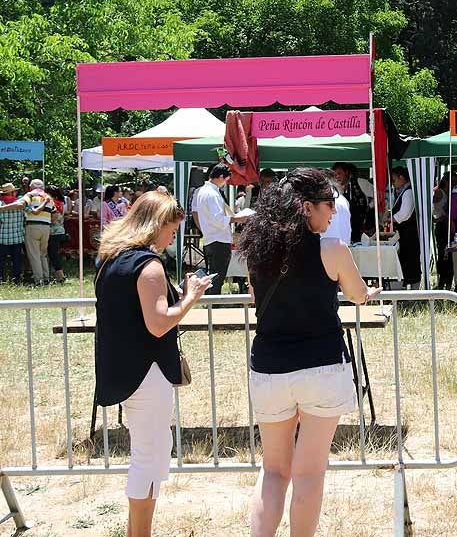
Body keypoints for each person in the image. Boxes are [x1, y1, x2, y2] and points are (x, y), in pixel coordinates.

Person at [238, 168, 379, 537]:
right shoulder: (332, 249)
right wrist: (366, 296)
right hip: (321, 368)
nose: (333, 212)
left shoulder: (257, 253)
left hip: (269, 367)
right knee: (309, 473)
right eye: (328, 204)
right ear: (305, 207)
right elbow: (357, 293)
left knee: (273, 472)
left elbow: (257, 299)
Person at [94, 191, 213, 537]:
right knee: (150, 459)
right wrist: (190, 298)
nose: (172, 238)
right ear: (156, 225)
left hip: (123, 368)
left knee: (148, 455)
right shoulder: (148, 265)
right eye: (172, 231)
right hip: (147, 372)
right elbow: (159, 322)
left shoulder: (112, 258)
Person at [192, 164, 240, 295]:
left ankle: (210, 303)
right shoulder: (212, 193)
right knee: (217, 277)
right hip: (218, 239)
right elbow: (218, 220)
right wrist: (237, 219)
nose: (226, 183)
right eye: (226, 179)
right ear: (220, 177)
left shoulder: (202, 191)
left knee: (211, 276)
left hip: (210, 238)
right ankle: (214, 304)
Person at [0, 179, 56, 286]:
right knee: (43, 254)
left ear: (31, 187)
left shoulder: (30, 195)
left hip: (32, 227)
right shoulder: (48, 197)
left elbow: (21, 204)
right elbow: (54, 216)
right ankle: (46, 278)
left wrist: (2, 209)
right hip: (46, 228)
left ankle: (38, 281)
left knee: (34, 255)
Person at [389, 166, 421, 289]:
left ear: (401, 178)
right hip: (405, 234)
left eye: (394, 180)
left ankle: (414, 292)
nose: (393, 183)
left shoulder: (408, 192)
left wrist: (391, 219)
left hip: (410, 234)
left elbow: (405, 214)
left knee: (411, 261)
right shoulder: (404, 191)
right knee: (406, 261)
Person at [332, 162, 372, 243]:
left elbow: (379, 196)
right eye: (335, 175)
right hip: (344, 226)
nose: (337, 177)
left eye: (339, 173)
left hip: (361, 225)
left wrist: (369, 206)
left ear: (346, 172)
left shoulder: (361, 183)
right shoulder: (335, 188)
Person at [432, 173, 457, 290]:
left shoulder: (452, 193)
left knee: (451, 256)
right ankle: (442, 282)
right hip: (442, 227)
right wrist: (436, 218)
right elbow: (430, 205)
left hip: (450, 225)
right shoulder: (439, 192)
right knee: (443, 255)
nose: (455, 183)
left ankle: (448, 283)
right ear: (446, 181)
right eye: (453, 181)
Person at [0, 182, 24, 284]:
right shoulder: (20, 202)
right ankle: (16, 280)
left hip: (2, 237)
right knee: (16, 260)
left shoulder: (1, 203)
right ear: (13, 192)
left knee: (1, 261)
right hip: (17, 236)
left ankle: (1, 279)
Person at [45, 186, 68, 283]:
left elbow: (53, 218)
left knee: (53, 254)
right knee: (53, 254)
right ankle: (56, 274)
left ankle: (60, 276)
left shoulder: (53, 203)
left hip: (53, 232)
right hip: (60, 231)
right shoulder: (61, 203)